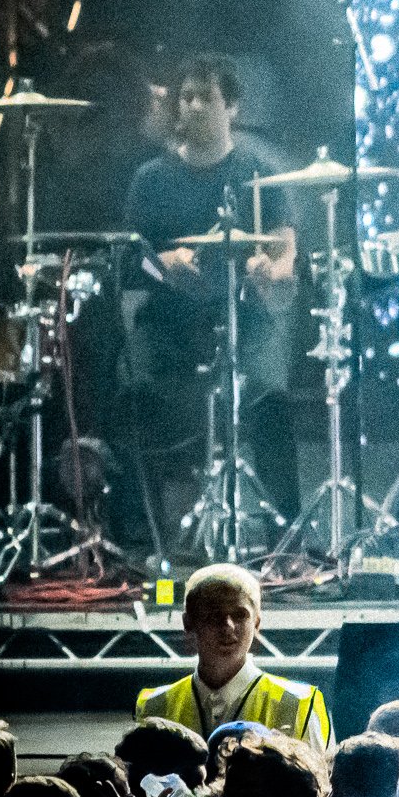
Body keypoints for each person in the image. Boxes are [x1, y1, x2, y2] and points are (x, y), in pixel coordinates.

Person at [122, 54, 302, 524]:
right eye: (187, 97)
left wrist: (274, 270)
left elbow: (286, 250)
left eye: (208, 97)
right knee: (136, 392)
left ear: (233, 107)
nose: (195, 106)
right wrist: (164, 262)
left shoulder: (259, 173)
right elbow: (130, 260)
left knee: (270, 398)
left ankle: (286, 546)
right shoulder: (151, 179)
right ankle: (145, 542)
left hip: (243, 316)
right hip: (170, 322)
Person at [134, 563, 331, 749]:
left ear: (256, 623)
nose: (227, 626)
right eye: (214, 615)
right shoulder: (153, 706)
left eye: (240, 615)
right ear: (188, 622)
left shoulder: (297, 704)